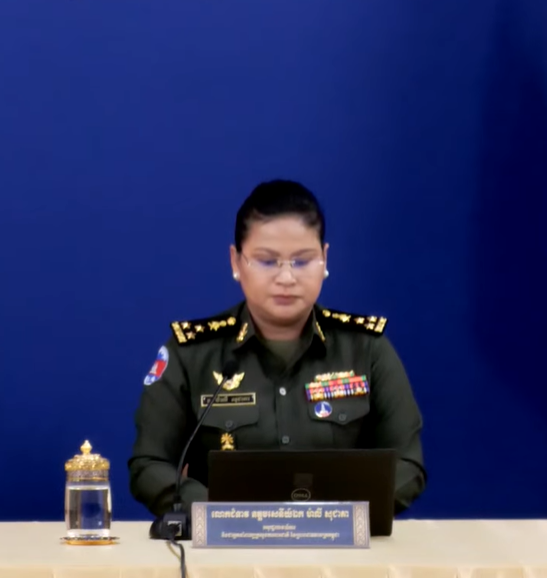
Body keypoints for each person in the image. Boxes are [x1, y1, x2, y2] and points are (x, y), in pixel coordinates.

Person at [129, 180, 425, 517]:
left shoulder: (366, 349)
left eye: (302, 261)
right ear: (236, 262)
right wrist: (220, 513)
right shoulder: (191, 353)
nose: (286, 278)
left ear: (325, 259)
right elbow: (149, 464)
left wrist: (338, 514)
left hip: (341, 540)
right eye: (267, 261)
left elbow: (408, 464)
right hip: (224, 542)